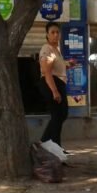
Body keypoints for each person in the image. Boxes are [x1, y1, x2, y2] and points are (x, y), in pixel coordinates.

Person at [38, 21, 69, 151]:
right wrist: (55, 91)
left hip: (58, 83)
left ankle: (52, 146)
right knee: (58, 116)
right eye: (52, 32)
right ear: (47, 35)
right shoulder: (47, 48)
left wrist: (67, 64)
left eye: (57, 32)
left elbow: (56, 67)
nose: (56, 35)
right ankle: (47, 144)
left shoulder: (56, 49)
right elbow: (47, 72)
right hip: (52, 83)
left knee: (61, 115)